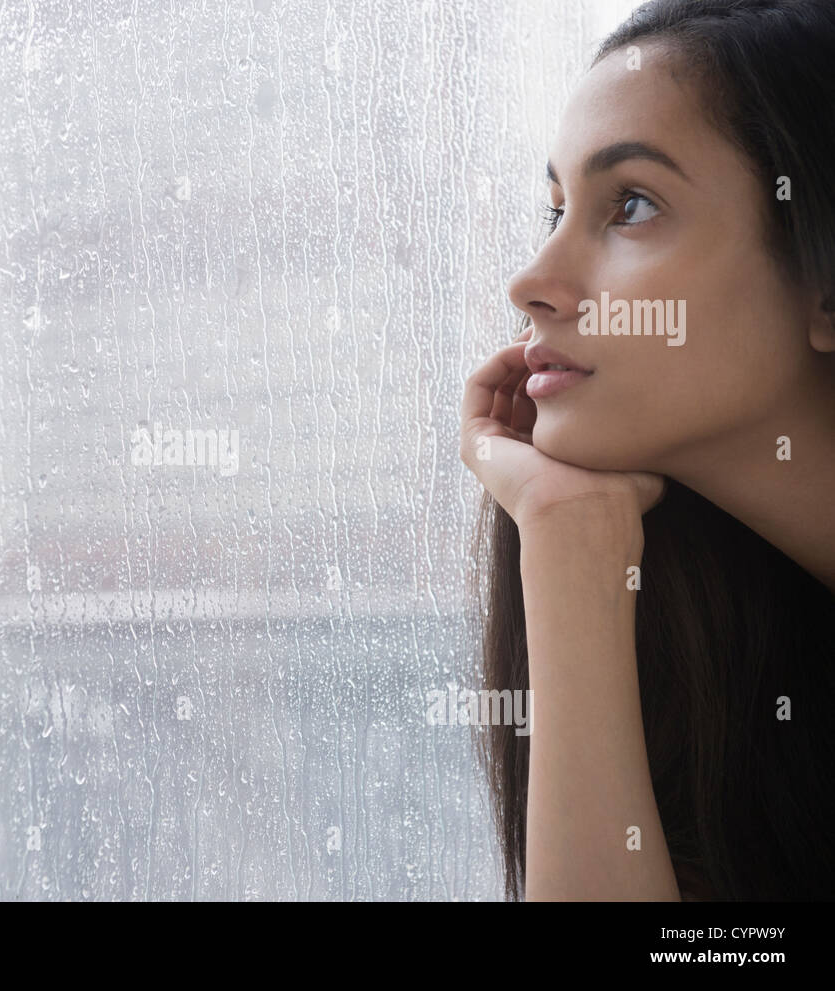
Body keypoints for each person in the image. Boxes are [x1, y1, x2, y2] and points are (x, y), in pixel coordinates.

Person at [460, 0, 835, 900]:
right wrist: (566, 537)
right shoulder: (738, 670)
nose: (533, 281)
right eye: (553, 209)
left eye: (629, 204)